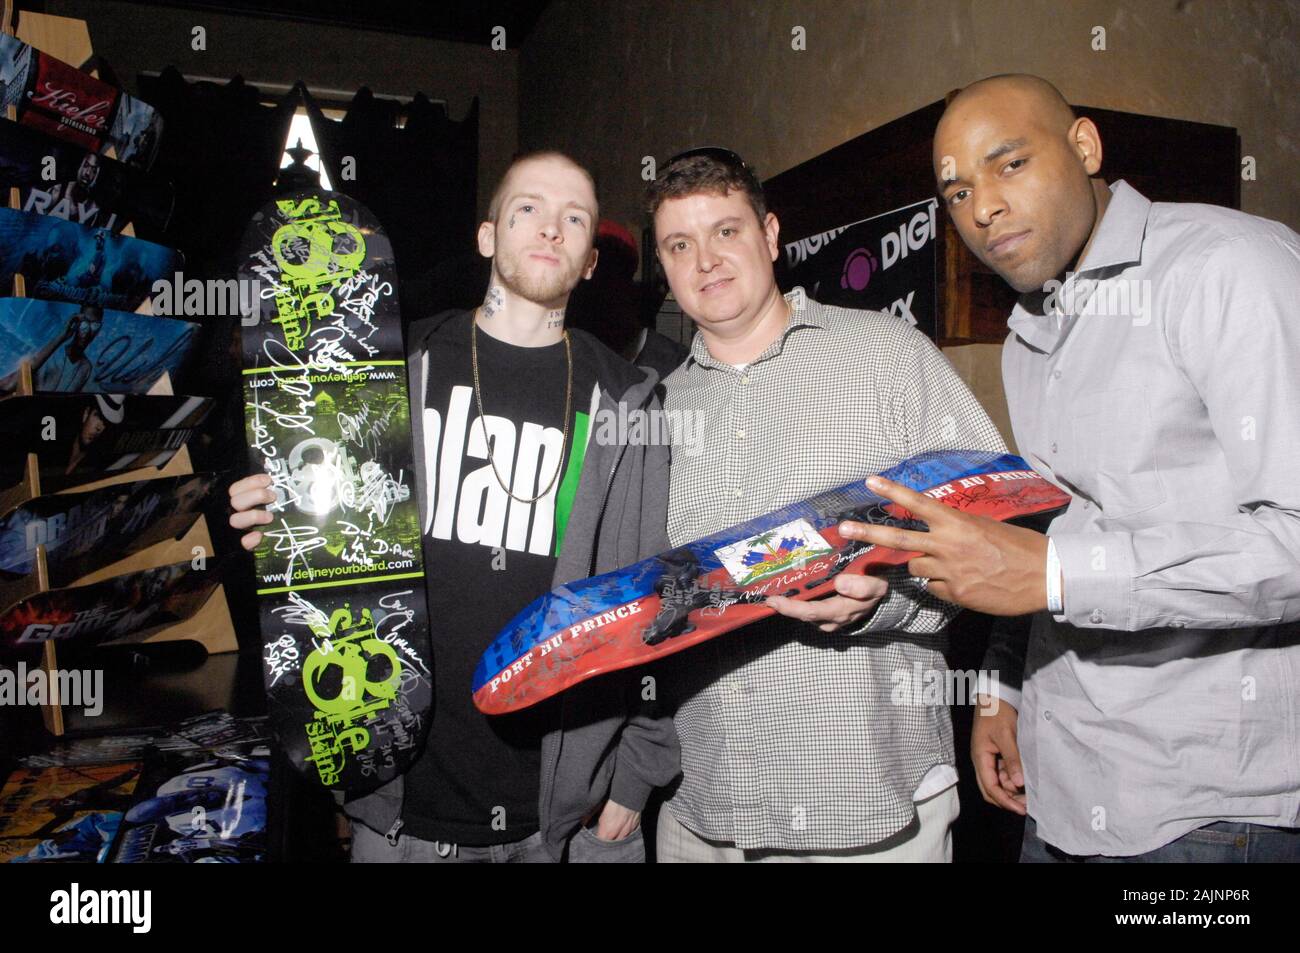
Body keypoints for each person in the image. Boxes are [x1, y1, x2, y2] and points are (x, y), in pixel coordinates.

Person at [848, 73, 1300, 861]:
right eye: (955, 192)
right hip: (1060, 793)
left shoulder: (1229, 268)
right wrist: (1002, 687)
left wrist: (1060, 574)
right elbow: (1052, 528)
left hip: (1208, 813)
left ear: (1084, 146)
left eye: (1008, 164)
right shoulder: (1031, 331)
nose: (981, 207)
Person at [229, 150, 678, 863]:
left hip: (555, 817)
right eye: (528, 207)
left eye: (575, 218)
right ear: (488, 235)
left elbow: (659, 596)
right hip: (402, 801)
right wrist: (282, 528)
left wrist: (635, 779)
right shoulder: (393, 370)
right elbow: (326, 555)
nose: (551, 229)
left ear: (592, 258)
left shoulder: (632, 405)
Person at [646, 148, 1006, 862]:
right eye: (679, 245)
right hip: (705, 809)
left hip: (873, 806)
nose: (705, 260)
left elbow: (998, 530)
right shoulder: (651, 410)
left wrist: (887, 599)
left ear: (772, 235)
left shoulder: (887, 356)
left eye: (726, 231)